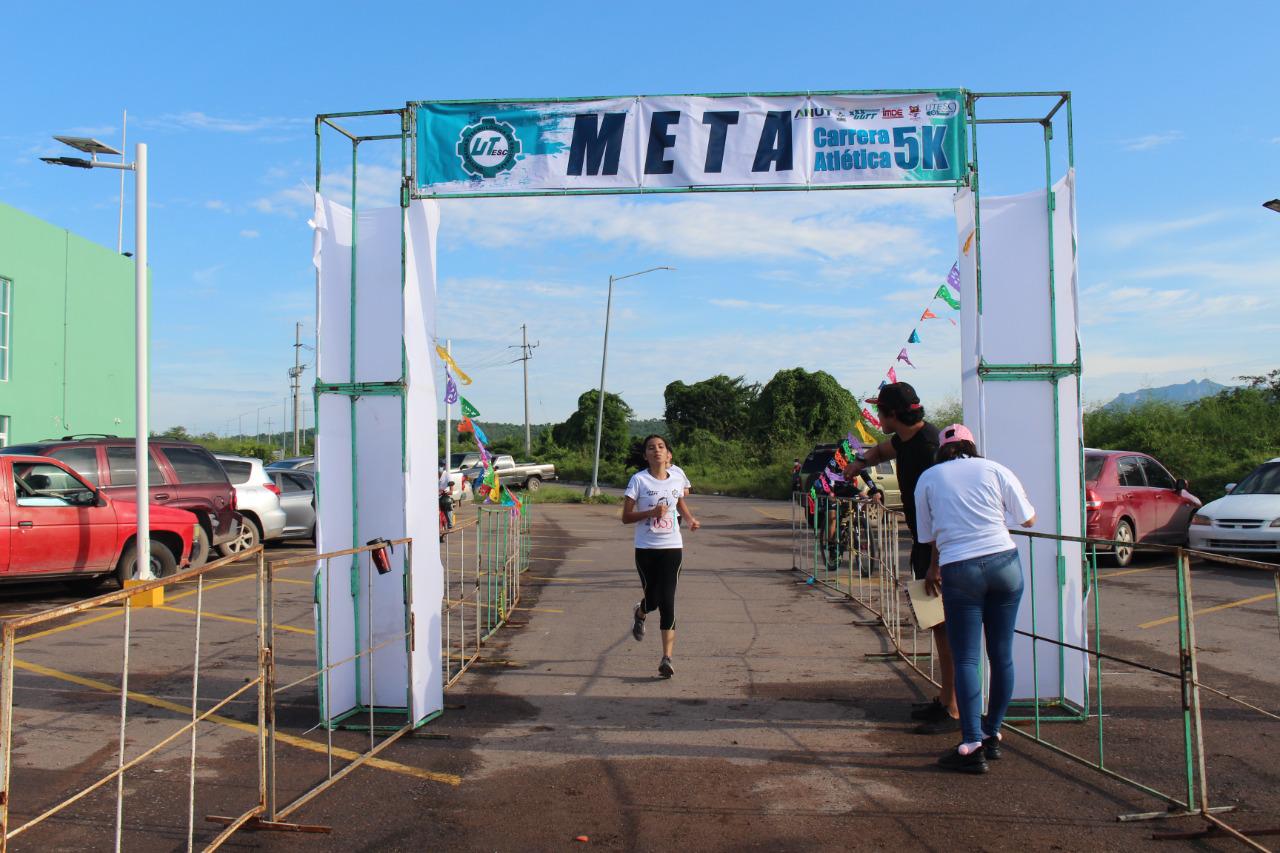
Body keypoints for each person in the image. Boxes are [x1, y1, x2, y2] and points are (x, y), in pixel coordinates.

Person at [915, 424, 1036, 773]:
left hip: (960, 571)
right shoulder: (995, 469)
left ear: (942, 450)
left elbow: (928, 534)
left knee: (967, 658)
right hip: (1005, 564)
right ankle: (993, 734)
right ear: (972, 445)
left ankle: (971, 745)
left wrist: (934, 566)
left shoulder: (929, 478)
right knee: (1001, 655)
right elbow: (1029, 519)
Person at [842, 382, 956, 734]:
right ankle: (944, 698)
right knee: (937, 625)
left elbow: (941, 511)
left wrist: (935, 562)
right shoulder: (907, 439)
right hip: (924, 543)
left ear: (893, 414)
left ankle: (953, 709)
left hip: (939, 546)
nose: (877, 417)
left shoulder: (929, 447)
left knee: (947, 627)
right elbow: (878, 452)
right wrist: (857, 463)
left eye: (881, 412)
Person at [622, 434, 700, 678]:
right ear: (645, 455)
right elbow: (625, 516)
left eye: (661, 447)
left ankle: (666, 658)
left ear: (669, 455)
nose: (656, 450)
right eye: (651, 448)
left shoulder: (676, 478)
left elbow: (678, 502)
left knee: (668, 601)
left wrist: (689, 519)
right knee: (653, 598)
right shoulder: (639, 480)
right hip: (646, 549)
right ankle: (641, 611)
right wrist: (651, 512)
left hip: (672, 546)